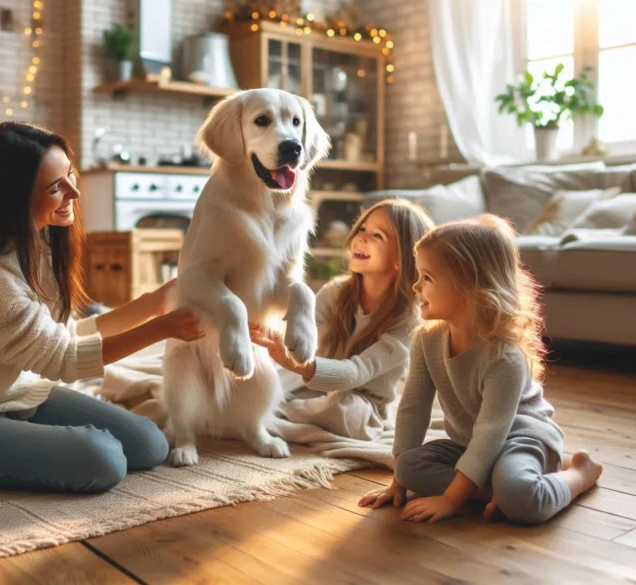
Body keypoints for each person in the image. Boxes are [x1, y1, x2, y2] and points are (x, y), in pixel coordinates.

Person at [0, 122, 202, 493]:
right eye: (56, 187)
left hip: (21, 395)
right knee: (104, 459)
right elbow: (65, 359)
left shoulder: (37, 246)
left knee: (149, 443)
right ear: (12, 198)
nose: (74, 192)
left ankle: (30, 440)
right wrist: (163, 327)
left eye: (70, 176)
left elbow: (66, 335)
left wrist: (155, 303)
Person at [359, 215, 602, 524]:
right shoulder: (426, 340)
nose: (415, 285)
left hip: (518, 439)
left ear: (468, 291)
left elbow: (490, 434)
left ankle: (579, 474)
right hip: (466, 443)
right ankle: (494, 492)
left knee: (524, 501)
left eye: (428, 278)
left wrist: (450, 499)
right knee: (408, 467)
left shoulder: (504, 358)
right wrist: (398, 484)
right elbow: (412, 409)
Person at [251, 199, 434, 440]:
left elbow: (356, 372)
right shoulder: (335, 292)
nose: (361, 238)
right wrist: (273, 341)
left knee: (346, 411)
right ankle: (275, 409)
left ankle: (278, 413)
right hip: (312, 387)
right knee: (265, 377)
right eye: (362, 229)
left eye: (377, 236)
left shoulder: (409, 321)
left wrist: (297, 364)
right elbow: (301, 336)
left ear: (402, 259)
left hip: (361, 401)